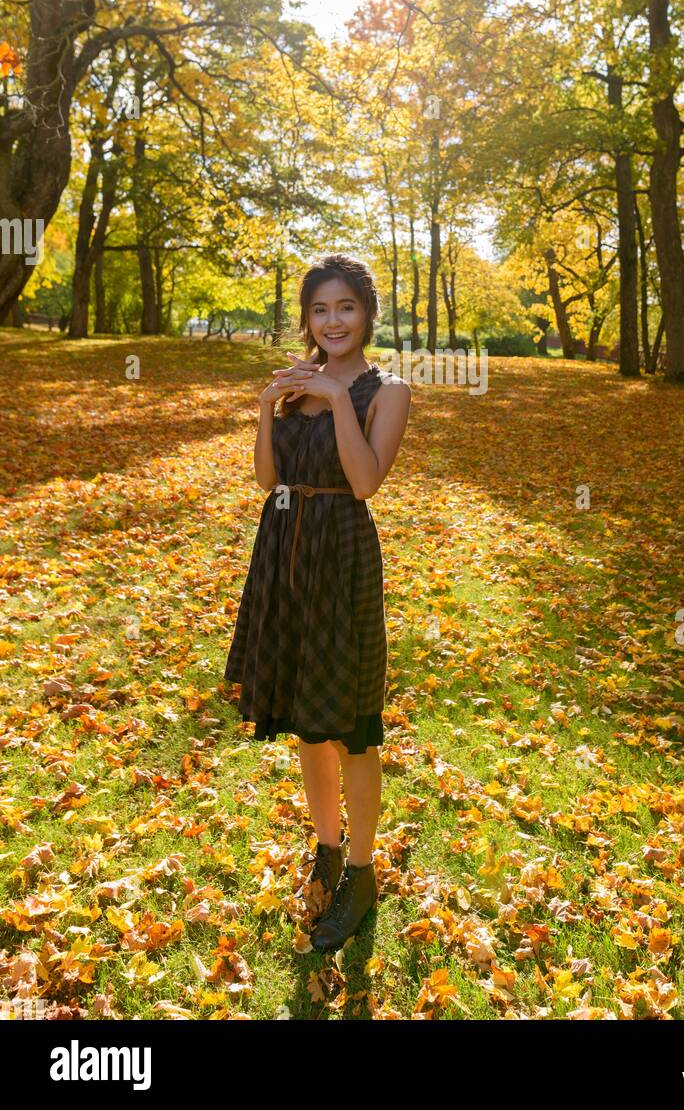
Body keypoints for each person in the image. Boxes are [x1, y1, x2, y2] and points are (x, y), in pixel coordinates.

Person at [223, 254, 411, 951]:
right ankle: (327, 847)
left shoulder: (383, 389)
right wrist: (264, 406)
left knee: (352, 726)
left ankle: (361, 872)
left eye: (346, 308)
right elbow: (266, 478)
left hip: (341, 554)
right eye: (320, 310)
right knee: (308, 718)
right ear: (305, 317)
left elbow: (364, 483)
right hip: (281, 549)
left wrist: (336, 401)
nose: (332, 321)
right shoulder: (292, 385)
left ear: (366, 315)